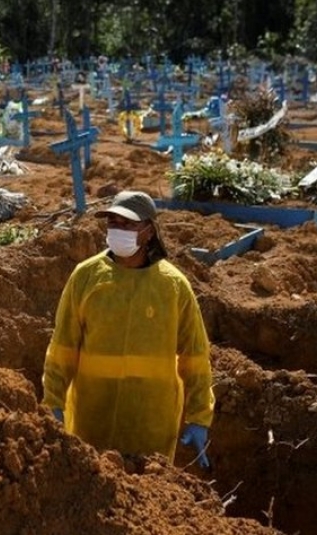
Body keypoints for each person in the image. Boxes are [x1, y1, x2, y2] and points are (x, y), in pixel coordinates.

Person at [42, 190, 215, 468]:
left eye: (127, 224)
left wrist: (198, 417)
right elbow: (62, 348)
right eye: (112, 223)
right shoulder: (85, 277)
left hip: (151, 430)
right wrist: (52, 402)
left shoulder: (173, 287)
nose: (117, 230)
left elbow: (195, 357)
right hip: (92, 423)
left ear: (149, 232)